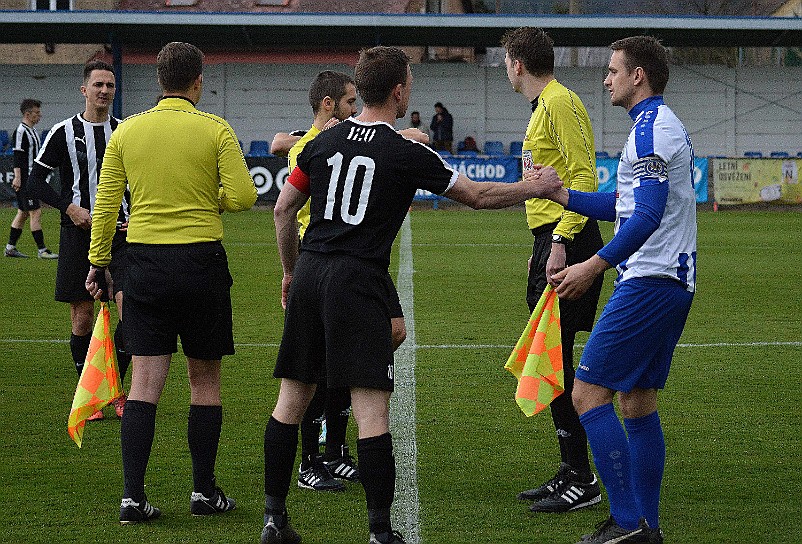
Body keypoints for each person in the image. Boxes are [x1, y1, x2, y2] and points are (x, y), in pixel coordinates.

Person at [262, 45, 558, 544]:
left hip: (313, 271)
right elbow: (477, 196)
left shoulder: (323, 142)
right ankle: (380, 532)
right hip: (358, 280)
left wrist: (291, 273)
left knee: (290, 399)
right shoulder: (406, 151)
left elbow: (283, 210)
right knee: (371, 409)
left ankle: (274, 519)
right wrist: (537, 187)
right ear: (398, 91)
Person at [524, 35, 696, 544]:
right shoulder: (653, 128)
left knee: (586, 393)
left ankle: (625, 523)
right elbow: (622, 205)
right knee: (637, 403)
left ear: (637, 76)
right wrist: (562, 193)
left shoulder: (650, 131)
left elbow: (646, 216)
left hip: (649, 282)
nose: (606, 79)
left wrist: (593, 266)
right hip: (668, 281)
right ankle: (647, 526)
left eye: (613, 71)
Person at [85, 41, 257, 524]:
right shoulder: (214, 129)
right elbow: (245, 195)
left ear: (159, 81)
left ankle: (132, 498)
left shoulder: (128, 131)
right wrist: (211, 200)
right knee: (204, 382)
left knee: (144, 384)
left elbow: (105, 204)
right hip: (201, 263)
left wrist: (99, 262)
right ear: (198, 81)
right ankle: (203, 492)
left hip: (144, 265)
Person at [501, 26, 605, 514]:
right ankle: (571, 469)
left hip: (570, 239)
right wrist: (542, 242)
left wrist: (560, 240)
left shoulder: (559, 103)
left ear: (517, 63)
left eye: (506, 60)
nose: (506, 69)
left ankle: (582, 478)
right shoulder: (546, 106)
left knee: (555, 358)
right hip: (553, 239)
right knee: (551, 356)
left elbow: (583, 178)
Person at [26, 60, 130, 420]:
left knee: (129, 313)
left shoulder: (125, 132)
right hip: (77, 235)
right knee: (82, 317)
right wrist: (69, 207)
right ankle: (90, 393)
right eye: (98, 84)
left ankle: (117, 393)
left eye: (110, 85)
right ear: (84, 90)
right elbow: (34, 182)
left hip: (121, 235)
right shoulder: (62, 132)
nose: (104, 91)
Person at [5, 99, 58, 260]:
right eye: (36, 112)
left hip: (31, 177)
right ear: (27, 114)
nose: (39, 115)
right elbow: (18, 156)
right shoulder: (21, 131)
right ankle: (42, 250)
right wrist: (18, 178)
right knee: (35, 211)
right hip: (26, 179)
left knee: (23, 213)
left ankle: (10, 248)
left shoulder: (32, 131)